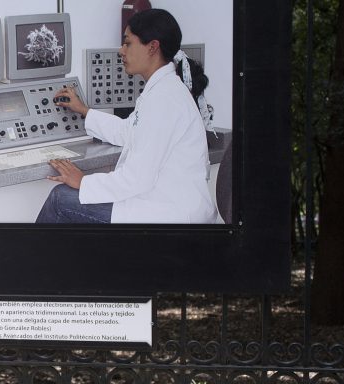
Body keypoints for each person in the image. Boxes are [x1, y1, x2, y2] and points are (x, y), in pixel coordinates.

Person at [36, 8, 218, 224]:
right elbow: (129, 131)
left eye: (128, 43)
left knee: (60, 199)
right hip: (166, 205)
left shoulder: (165, 99)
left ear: (152, 47)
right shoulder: (163, 90)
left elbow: (137, 179)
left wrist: (83, 181)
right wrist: (84, 111)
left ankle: (28, 258)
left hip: (169, 215)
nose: (121, 51)